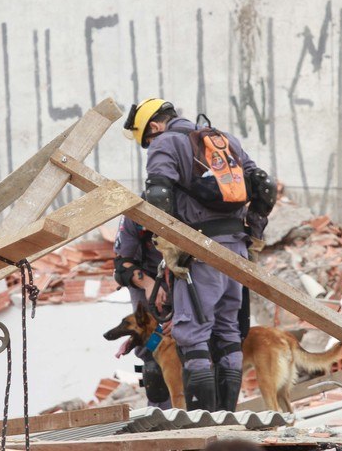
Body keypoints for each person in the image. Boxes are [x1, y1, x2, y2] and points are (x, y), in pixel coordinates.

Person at [122, 98, 276, 412]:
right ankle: (225, 417)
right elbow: (263, 187)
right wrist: (254, 237)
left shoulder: (166, 143)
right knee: (228, 331)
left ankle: (202, 421)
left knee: (191, 334)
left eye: (147, 140)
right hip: (235, 248)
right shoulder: (222, 140)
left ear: (154, 126)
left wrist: (170, 246)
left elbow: (158, 196)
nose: (151, 145)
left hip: (198, 249)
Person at [113, 213, 172, 409]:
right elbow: (122, 267)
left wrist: (184, 318)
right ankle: (160, 413)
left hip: (190, 282)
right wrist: (148, 284)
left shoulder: (189, 204)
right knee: (151, 353)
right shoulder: (135, 215)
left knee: (197, 347)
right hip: (148, 279)